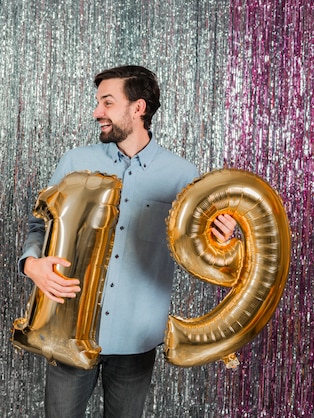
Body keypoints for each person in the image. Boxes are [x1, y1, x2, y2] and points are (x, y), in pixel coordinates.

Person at [18, 65, 236, 418]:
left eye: (107, 102)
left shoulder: (183, 176)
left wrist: (220, 237)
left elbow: (201, 247)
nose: (96, 112)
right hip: (68, 330)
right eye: (98, 102)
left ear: (138, 108)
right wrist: (32, 264)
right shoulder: (75, 162)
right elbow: (39, 224)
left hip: (137, 339)